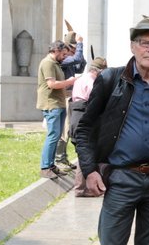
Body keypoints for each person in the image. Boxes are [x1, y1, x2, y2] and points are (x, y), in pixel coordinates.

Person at [74, 17, 149, 245]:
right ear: (133, 46)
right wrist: (90, 170)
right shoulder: (111, 79)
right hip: (121, 178)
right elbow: (84, 129)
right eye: (145, 42)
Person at [37, 41, 76, 178]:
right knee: (53, 136)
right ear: (56, 50)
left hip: (58, 104)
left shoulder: (55, 64)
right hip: (51, 104)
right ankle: (45, 167)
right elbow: (52, 84)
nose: (65, 57)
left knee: (57, 136)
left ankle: (51, 165)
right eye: (63, 54)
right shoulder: (48, 63)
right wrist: (70, 81)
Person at [70, 57, 107, 197]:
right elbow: (95, 102)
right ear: (99, 71)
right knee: (85, 153)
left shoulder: (80, 79)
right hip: (84, 115)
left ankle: (82, 188)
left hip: (75, 114)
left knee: (83, 152)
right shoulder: (92, 83)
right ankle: (81, 188)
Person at [57, 32, 85, 169]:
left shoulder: (70, 60)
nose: (75, 51)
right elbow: (77, 59)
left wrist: (80, 50)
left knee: (68, 129)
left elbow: (80, 66)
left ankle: (63, 157)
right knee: (63, 130)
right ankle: (59, 159)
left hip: (70, 97)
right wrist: (80, 44)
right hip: (63, 97)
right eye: (72, 48)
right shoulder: (63, 60)